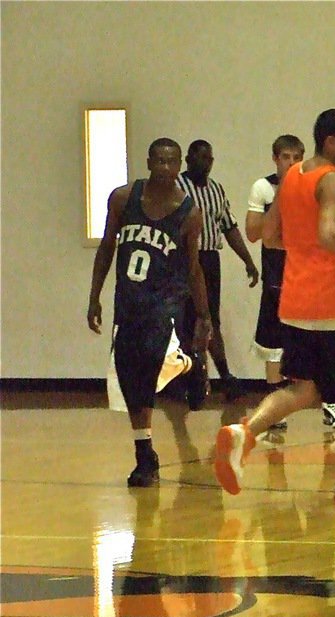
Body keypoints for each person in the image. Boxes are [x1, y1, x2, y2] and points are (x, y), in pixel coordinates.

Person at [213, 108, 335, 502]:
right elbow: (329, 236)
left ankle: (245, 432)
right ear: (331, 141)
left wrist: (307, 250)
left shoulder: (292, 177)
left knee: (304, 389)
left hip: (296, 302)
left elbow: (267, 235)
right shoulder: (333, 181)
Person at [87, 137, 212, 487]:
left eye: (171, 162)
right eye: (159, 160)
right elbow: (106, 248)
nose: (165, 167)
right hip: (128, 303)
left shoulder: (188, 212)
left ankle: (192, 365)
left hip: (166, 304)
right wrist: (94, 296)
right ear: (148, 162)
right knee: (132, 382)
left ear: (178, 167)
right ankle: (145, 456)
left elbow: (194, 268)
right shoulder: (124, 199)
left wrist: (203, 315)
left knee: (161, 364)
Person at [245, 134, 335, 433]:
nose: (291, 162)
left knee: (325, 341)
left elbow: (325, 231)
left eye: (296, 157)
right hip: (277, 279)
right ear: (275, 158)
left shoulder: (316, 185)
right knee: (274, 345)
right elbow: (253, 232)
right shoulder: (263, 188)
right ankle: (277, 408)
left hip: (312, 277)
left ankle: (331, 402)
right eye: (285, 157)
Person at [178, 139, 260, 404]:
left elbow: (229, 227)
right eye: (201, 158)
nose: (206, 163)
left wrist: (248, 260)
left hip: (210, 259)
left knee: (210, 318)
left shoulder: (215, 189)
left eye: (210, 159)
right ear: (189, 159)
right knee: (187, 319)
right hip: (183, 259)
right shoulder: (177, 188)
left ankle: (223, 377)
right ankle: (191, 378)